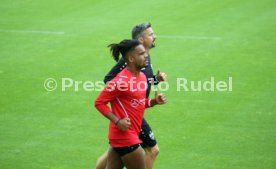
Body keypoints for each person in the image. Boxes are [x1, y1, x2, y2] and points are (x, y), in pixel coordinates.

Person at [95, 22, 166, 169]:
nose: (145, 56)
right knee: (153, 150)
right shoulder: (123, 78)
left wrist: (153, 101)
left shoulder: (140, 75)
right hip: (125, 132)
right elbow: (100, 101)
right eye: (151, 34)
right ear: (132, 58)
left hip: (128, 128)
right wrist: (118, 118)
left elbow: (139, 98)